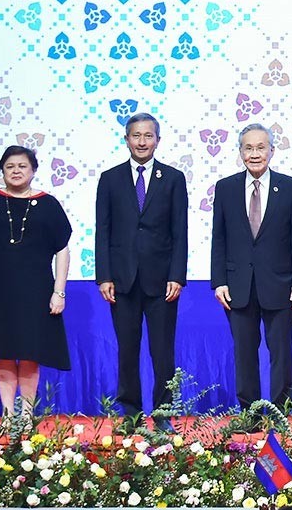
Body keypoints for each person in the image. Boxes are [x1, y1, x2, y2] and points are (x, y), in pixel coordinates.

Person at [0, 146, 72, 432]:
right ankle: (7, 415)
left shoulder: (48, 204)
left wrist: (58, 291)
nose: (16, 171)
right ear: (2, 170)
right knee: (3, 350)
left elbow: (62, 249)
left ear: (33, 170)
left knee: (29, 352)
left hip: (37, 290)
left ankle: (26, 417)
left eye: (22, 166)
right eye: (10, 166)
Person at [95, 112, 188, 434]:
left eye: (148, 136)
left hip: (162, 281)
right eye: (136, 135)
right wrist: (103, 276)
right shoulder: (110, 178)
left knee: (163, 352)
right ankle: (131, 415)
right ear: (126, 139)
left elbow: (180, 232)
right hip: (121, 280)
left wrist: (177, 275)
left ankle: (163, 415)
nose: (142, 141)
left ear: (157, 140)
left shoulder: (173, 178)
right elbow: (102, 230)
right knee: (127, 349)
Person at [210, 123, 292, 422]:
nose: (255, 154)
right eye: (248, 148)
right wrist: (219, 281)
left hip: (280, 285)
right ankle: (248, 415)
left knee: (281, 353)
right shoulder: (225, 188)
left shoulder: (291, 188)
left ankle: (282, 415)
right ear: (240, 152)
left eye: (261, 147)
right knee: (244, 354)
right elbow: (220, 238)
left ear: (272, 150)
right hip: (238, 286)